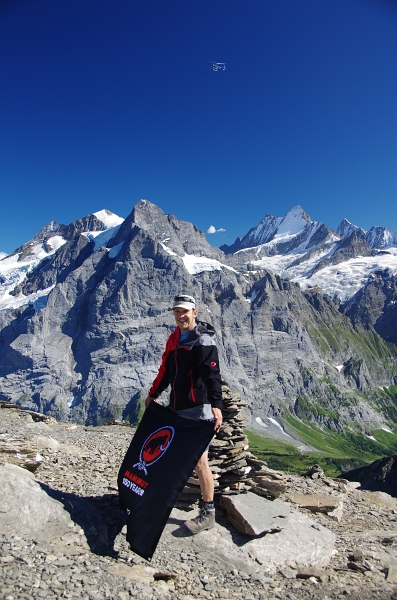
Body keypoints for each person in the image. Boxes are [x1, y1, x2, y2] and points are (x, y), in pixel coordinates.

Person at [145, 293, 223, 534]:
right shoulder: (174, 338)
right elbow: (166, 369)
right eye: (177, 312)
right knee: (165, 453)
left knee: (200, 461)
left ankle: (209, 513)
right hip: (176, 408)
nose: (180, 316)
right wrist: (154, 393)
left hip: (198, 410)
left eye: (185, 311)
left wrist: (216, 405)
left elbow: (213, 375)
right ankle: (159, 502)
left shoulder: (203, 339)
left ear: (195, 313)